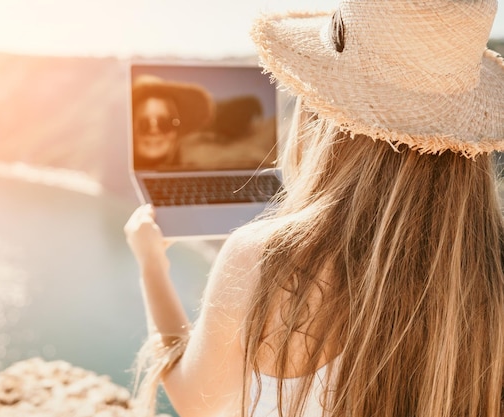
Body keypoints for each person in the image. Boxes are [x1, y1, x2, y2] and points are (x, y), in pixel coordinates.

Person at [124, 1, 504, 416]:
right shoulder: (490, 272)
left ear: (324, 109)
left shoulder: (265, 260)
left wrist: (151, 266)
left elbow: (197, 404)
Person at [132, 75, 214, 169]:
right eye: (144, 124)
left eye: (164, 124)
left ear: (176, 131)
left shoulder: (195, 176)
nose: (154, 131)